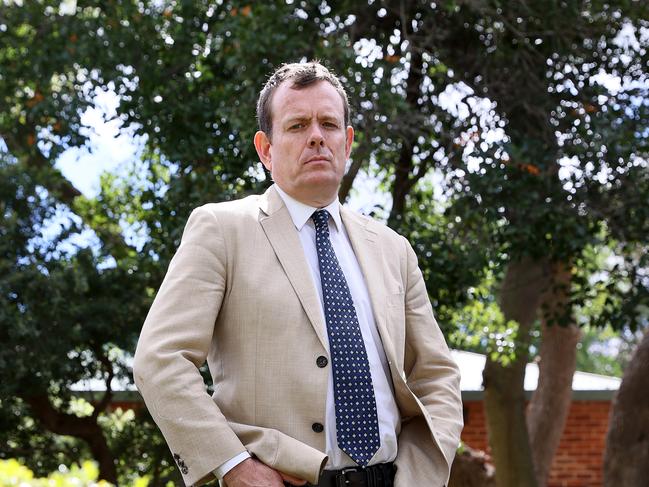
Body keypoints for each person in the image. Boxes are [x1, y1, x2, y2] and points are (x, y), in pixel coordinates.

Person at [133, 61, 463, 487]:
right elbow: (160, 359)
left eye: (328, 124)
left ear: (346, 142)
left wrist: (419, 479)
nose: (315, 136)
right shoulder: (222, 229)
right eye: (297, 125)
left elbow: (436, 376)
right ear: (266, 149)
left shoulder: (393, 249)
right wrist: (234, 466)